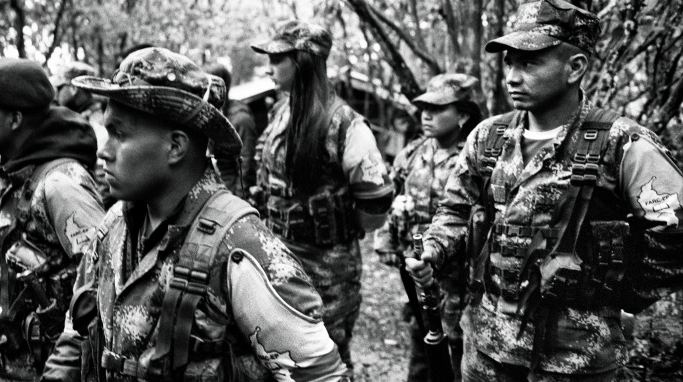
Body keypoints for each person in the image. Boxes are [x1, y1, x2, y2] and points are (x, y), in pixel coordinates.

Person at [406, 1, 683, 380]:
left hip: (575, 361)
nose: (513, 77)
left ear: (575, 68)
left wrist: (618, 289)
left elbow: (676, 231)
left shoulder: (620, 143)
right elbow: (455, 211)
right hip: (487, 352)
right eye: (510, 63)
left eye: (530, 63)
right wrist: (433, 251)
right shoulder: (489, 138)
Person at [42, 47, 346, 381]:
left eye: (119, 134)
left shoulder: (240, 247)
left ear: (175, 146)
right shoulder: (114, 224)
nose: (103, 150)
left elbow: (321, 375)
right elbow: (77, 329)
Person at [250, 21, 395, 379]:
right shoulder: (279, 113)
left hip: (328, 274)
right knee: (279, 357)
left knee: (327, 361)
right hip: (276, 264)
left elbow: (375, 203)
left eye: (277, 57)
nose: (269, 66)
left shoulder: (344, 124)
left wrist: (335, 227)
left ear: (301, 61)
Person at [0, 57, 105, 381]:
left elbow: (105, 278)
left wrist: (66, 366)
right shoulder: (10, 174)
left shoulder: (59, 184)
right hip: (15, 359)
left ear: (14, 119)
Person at [374, 73, 485, 381]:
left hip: (460, 278)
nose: (426, 115)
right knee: (420, 339)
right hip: (418, 272)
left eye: (437, 109)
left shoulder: (474, 159)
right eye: (424, 108)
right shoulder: (413, 153)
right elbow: (393, 195)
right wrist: (386, 240)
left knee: (458, 347)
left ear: (462, 114)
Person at [51, 61, 113, 208]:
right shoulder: (78, 121)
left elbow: (105, 185)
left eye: (60, 88)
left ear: (73, 89)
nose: (57, 94)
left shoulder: (97, 127)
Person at [205, 63, 259, 199]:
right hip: (214, 193)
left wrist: (240, 200)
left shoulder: (241, 120)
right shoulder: (210, 114)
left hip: (231, 195)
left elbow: (246, 167)